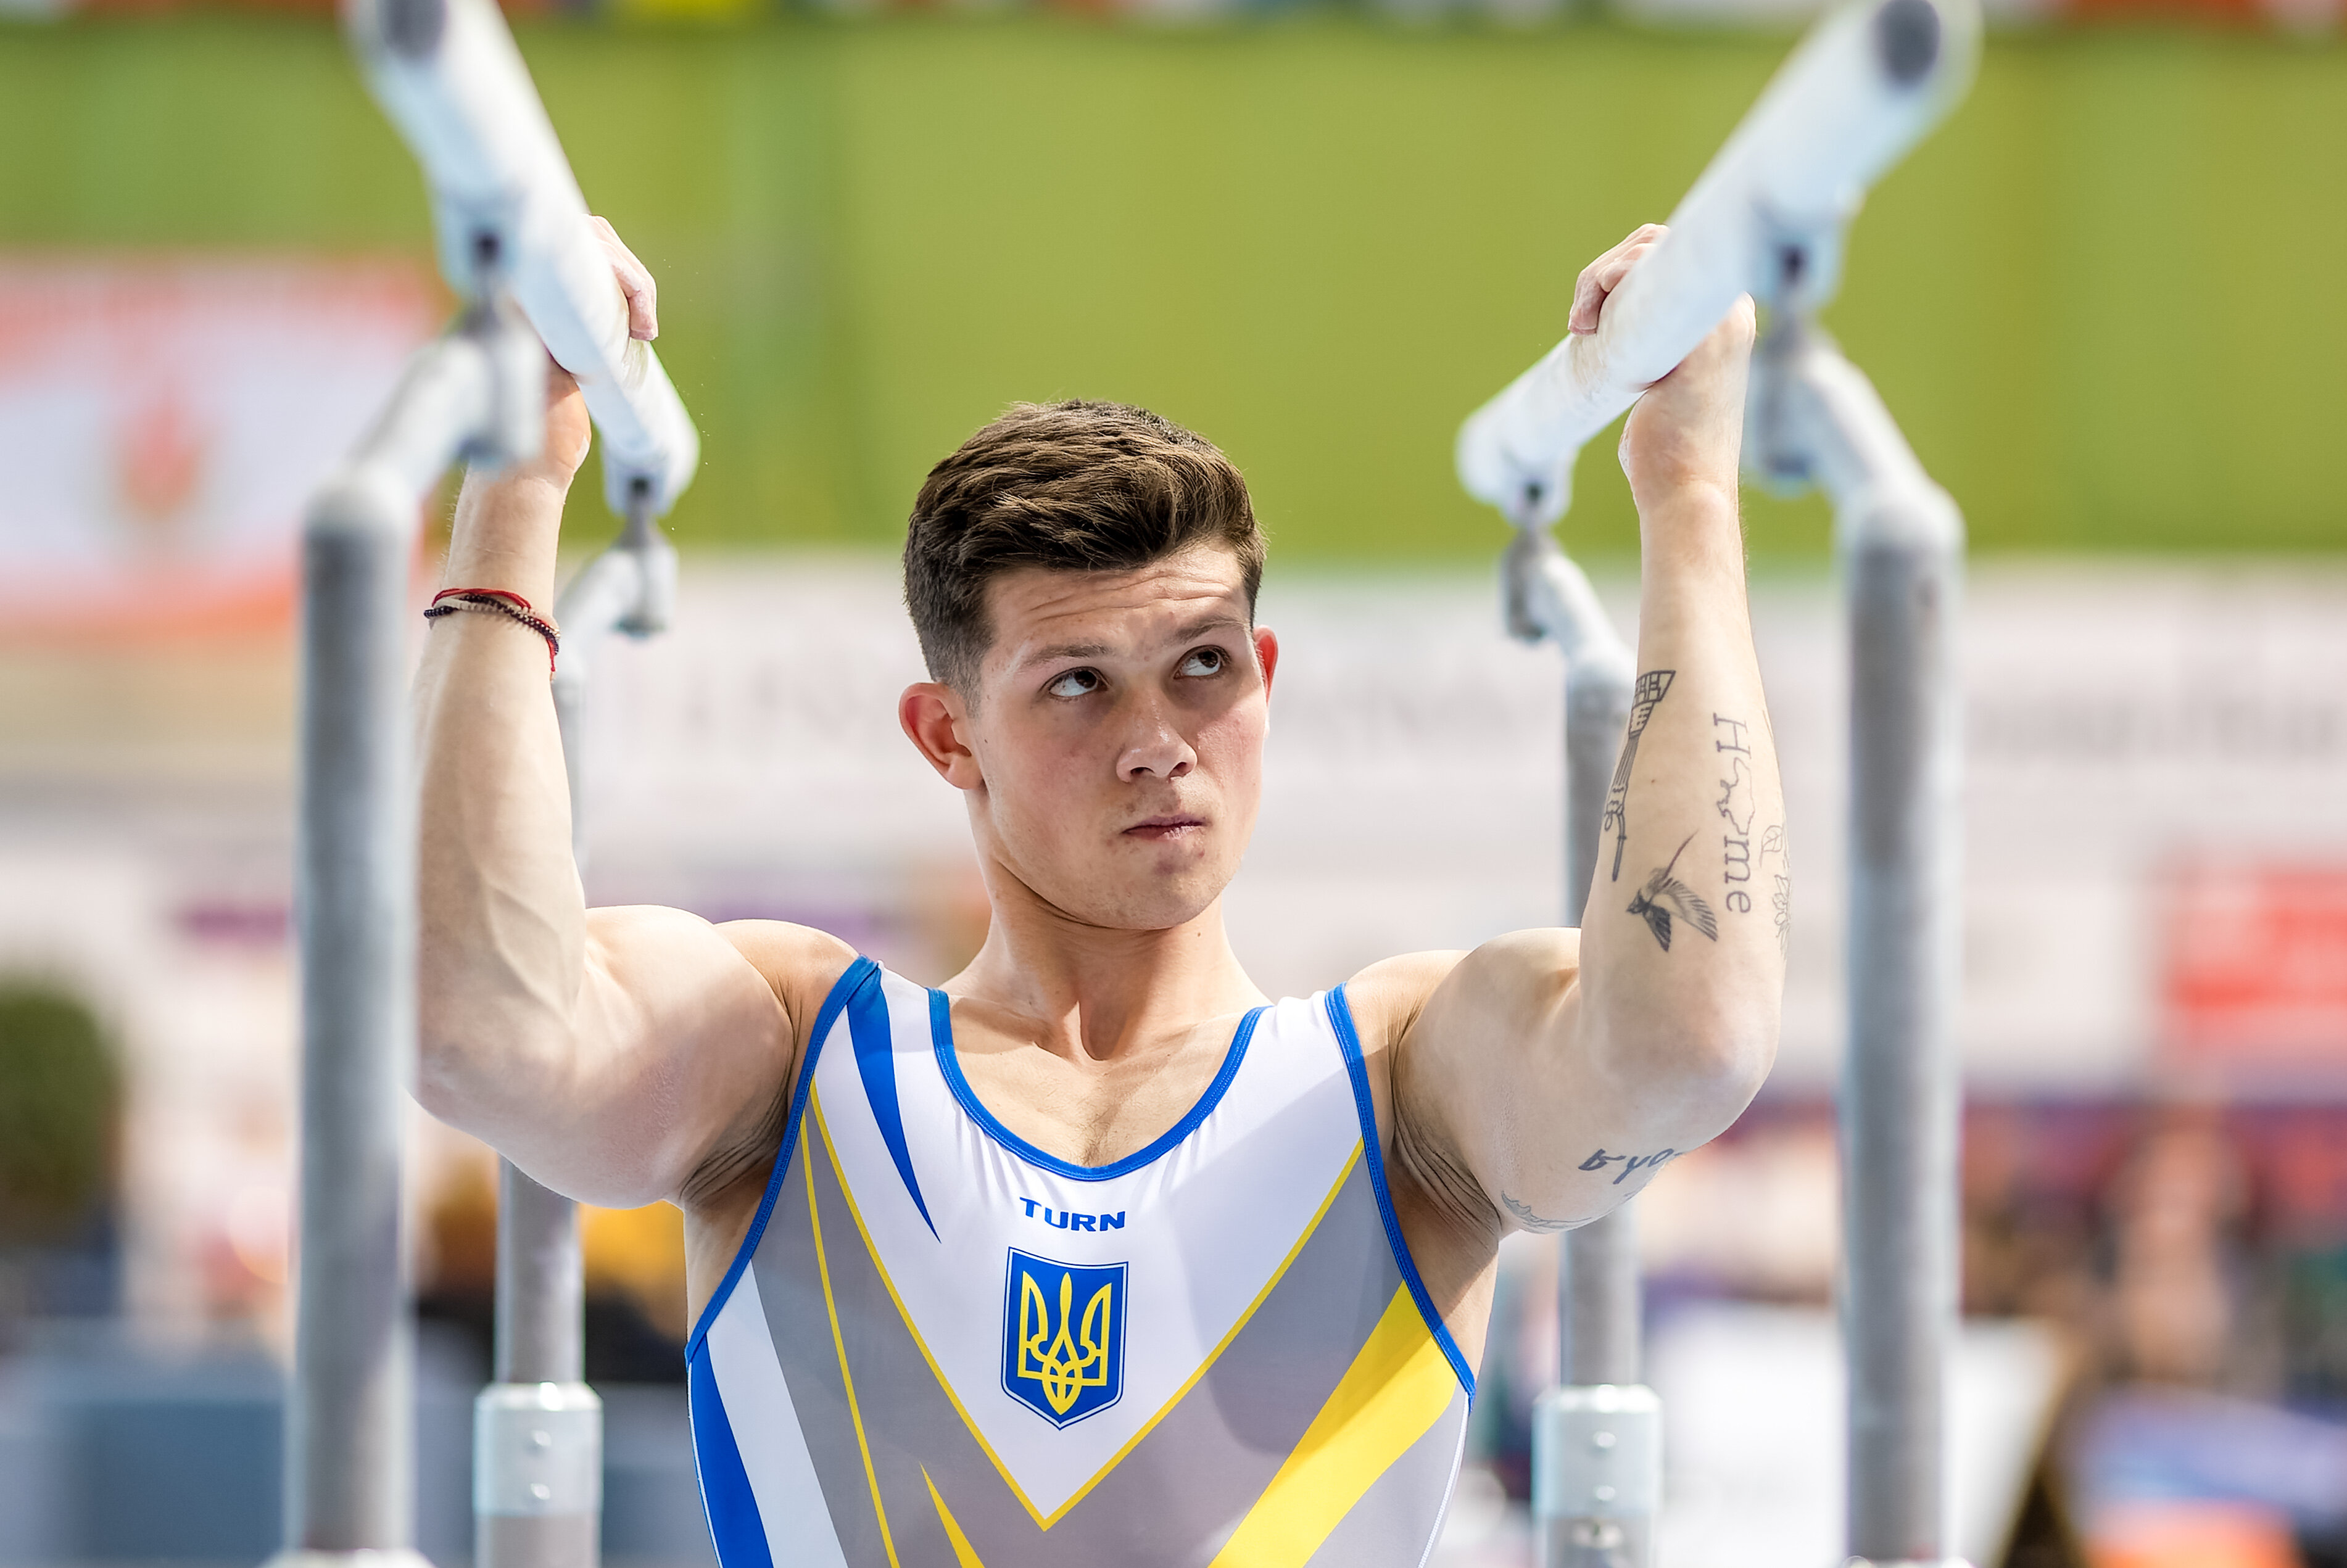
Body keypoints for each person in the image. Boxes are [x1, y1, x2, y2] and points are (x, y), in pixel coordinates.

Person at [413, 218, 1786, 1566]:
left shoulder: (1402, 1081)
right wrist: (517, 487)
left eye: (1202, 666)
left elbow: (1685, 1040)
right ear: (946, 736)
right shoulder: (791, 1056)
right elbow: (478, 1029)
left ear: (1262, 670)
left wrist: (1688, 497)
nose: (1158, 739)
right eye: (1078, 683)